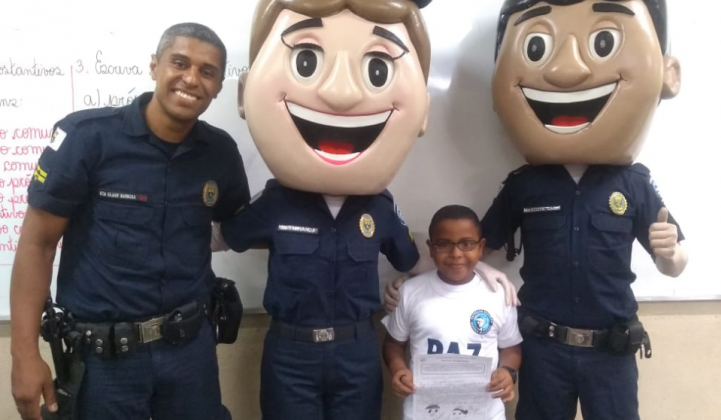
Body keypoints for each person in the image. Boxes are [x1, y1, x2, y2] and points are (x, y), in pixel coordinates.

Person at [210, 1, 515, 418]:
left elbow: (415, 261)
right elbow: (221, 238)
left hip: (354, 349)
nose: (341, 93)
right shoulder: (276, 201)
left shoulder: (381, 207)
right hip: (290, 351)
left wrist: (479, 269)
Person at [9, 22, 249, 420]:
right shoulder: (87, 138)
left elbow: (239, 222)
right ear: (154, 66)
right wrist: (24, 354)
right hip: (106, 362)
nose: (192, 79)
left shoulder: (220, 152)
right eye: (179, 63)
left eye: (207, 71)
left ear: (220, 86)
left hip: (190, 355)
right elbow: (38, 243)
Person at [484, 1, 686, 420]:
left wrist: (671, 254)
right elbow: (479, 247)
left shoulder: (633, 183)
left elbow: (675, 266)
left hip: (609, 354)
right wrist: (421, 278)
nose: (568, 71)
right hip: (542, 351)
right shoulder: (525, 183)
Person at [382, 205, 523, 420]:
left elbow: (511, 348)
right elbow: (393, 344)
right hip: (424, 412)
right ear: (431, 248)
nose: (456, 253)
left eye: (467, 244)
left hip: (485, 412)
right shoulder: (410, 292)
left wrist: (508, 372)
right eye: (444, 244)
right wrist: (398, 369)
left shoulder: (498, 295)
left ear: (481, 246)